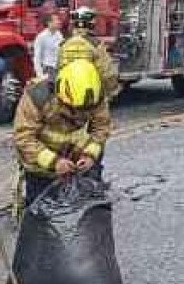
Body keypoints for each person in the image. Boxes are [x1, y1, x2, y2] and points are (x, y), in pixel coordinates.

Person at [13, 59, 111, 207]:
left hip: (78, 159)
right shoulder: (38, 96)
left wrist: (90, 155)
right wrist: (54, 162)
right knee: (40, 209)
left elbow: (101, 127)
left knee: (87, 205)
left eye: (85, 110)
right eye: (75, 109)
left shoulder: (96, 96)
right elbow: (24, 137)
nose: (79, 114)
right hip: (41, 166)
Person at [59, 6, 119, 99]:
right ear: (91, 24)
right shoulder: (96, 45)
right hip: (91, 99)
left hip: (68, 97)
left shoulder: (63, 44)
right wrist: (111, 91)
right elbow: (107, 74)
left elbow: (59, 69)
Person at [33, 13, 64, 80]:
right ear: (49, 23)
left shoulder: (59, 35)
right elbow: (37, 58)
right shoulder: (41, 37)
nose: (59, 22)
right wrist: (40, 75)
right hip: (48, 70)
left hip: (59, 68)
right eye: (56, 20)